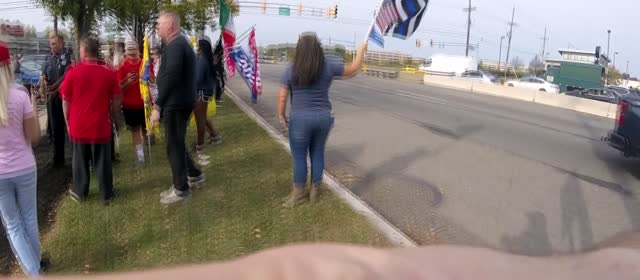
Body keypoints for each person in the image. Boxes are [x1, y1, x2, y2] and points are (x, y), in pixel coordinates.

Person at [40, 232, 640, 279]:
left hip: (300, 119)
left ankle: (301, 186)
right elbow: (349, 67)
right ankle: (307, 185)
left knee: (304, 162)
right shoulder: (322, 66)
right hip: (319, 117)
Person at [278, 32, 367, 207]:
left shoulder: (291, 68)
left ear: (299, 48)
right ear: (318, 47)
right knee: (317, 152)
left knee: (299, 157)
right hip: (324, 118)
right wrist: (361, 51)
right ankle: (315, 190)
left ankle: (298, 194)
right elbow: (353, 69)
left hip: (300, 120)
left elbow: (282, 96)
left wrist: (281, 115)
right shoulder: (328, 65)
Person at [0, 41, 45, 276]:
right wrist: (34, 107)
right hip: (24, 167)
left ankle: (35, 271)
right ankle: (36, 267)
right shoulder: (20, 95)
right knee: (29, 218)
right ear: (9, 64)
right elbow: (34, 137)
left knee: (13, 225)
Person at [151, 10, 204, 205]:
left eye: (159, 24)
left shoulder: (176, 45)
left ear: (170, 26)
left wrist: (158, 105)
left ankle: (181, 188)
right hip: (181, 101)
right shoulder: (177, 44)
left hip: (176, 103)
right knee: (178, 142)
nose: (157, 28)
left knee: (173, 145)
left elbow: (172, 75)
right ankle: (195, 174)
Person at [60, 36, 121, 204]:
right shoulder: (109, 73)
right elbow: (116, 102)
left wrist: (67, 122)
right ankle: (106, 194)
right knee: (103, 162)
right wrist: (116, 121)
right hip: (100, 125)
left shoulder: (73, 73)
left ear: (84, 51)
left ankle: (80, 191)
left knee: (79, 162)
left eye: (80, 49)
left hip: (78, 125)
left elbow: (65, 100)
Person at [40, 32, 73, 169]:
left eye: (54, 43)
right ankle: (58, 159)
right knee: (55, 129)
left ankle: (76, 157)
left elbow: (67, 75)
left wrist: (55, 88)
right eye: (50, 43)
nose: (51, 46)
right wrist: (43, 84)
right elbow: (43, 75)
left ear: (61, 43)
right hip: (52, 99)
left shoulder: (68, 57)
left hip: (66, 97)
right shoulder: (48, 58)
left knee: (70, 127)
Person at [194, 36, 223, 166]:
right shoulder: (207, 59)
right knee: (203, 118)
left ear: (201, 46)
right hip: (205, 93)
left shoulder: (202, 60)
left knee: (200, 120)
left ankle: (200, 146)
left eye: (197, 44)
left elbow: (198, 79)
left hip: (200, 94)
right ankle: (215, 136)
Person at [117, 40, 147, 165]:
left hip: (144, 102)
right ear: (126, 54)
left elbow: (152, 80)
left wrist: (146, 79)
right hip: (130, 104)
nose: (133, 57)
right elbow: (118, 87)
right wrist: (127, 82)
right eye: (130, 55)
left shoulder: (144, 64)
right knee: (135, 130)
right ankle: (140, 157)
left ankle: (146, 147)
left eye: (135, 54)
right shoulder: (122, 66)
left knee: (145, 129)